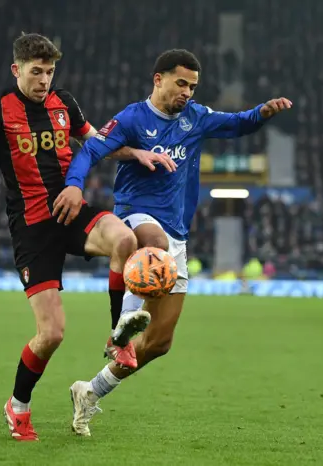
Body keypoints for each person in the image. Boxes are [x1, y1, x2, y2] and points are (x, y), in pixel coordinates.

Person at [0, 33, 175, 442]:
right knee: (52, 334)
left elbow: (97, 141)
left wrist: (135, 153)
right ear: (17, 70)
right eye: (36, 72)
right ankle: (18, 405)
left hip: (72, 210)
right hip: (32, 228)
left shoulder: (64, 102)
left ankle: (118, 335)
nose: (44, 80)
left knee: (124, 240)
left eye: (49, 72)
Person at [53, 48, 293, 436]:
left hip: (176, 236)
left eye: (193, 86)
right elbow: (92, 149)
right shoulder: (133, 117)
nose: (187, 92)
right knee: (152, 239)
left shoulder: (195, 117)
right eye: (181, 83)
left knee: (159, 344)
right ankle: (121, 325)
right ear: (158, 79)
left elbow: (237, 124)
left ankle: (89, 391)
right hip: (137, 216)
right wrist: (75, 186)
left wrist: (262, 112)